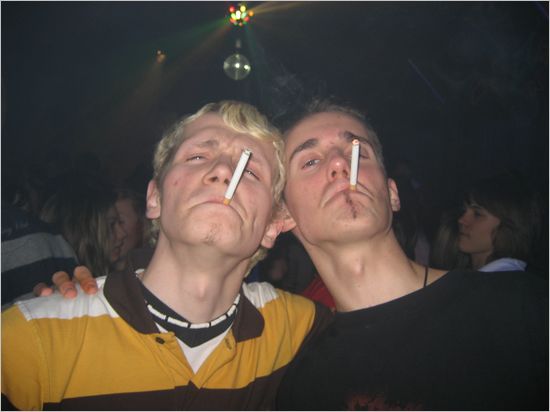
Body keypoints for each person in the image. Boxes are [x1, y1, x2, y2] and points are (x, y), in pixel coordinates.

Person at [1, 101, 330, 410]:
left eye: (251, 171)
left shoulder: (297, 331)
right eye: (197, 156)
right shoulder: (31, 339)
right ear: (154, 197)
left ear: (272, 225)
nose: (223, 171)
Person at [275, 99, 547, 410]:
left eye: (357, 152)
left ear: (392, 193)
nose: (339, 163)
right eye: (310, 161)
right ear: (284, 215)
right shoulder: (305, 389)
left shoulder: (521, 307)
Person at [456, 171, 542, 272]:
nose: (461, 220)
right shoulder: (478, 276)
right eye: (463, 210)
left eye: (477, 214)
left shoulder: (506, 279)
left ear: (509, 224)